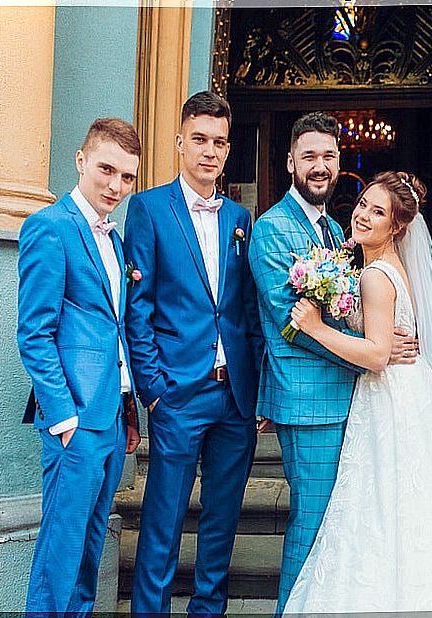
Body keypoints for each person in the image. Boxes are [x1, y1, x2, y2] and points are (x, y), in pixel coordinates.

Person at [283, 171, 432, 613]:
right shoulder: (390, 265)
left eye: (378, 212)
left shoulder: (376, 275)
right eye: (362, 205)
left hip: (388, 397)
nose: (363, 216)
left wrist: (315, 327)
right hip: (410, 394)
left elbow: (376, 355)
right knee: (406, 505)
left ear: (397, 226)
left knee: (379, 505)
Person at [248, 112, 416, 616]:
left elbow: (350, 305)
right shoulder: (274, 230)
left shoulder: (335, 230)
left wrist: (378, 342)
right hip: (310, 398)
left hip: (350, 394)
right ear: (290, 162)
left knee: (342, 524)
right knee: (314, 520)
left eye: (329, 156)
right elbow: (292, 321)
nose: (319, 166)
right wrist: (372, 354)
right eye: (309, 156)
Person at [124, 91, 263, 615]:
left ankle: (209, 610)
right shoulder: (148, 208)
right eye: (200, 139)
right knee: (162, 524)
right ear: (180, 142)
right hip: (178, 393)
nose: (210, 151)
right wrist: (154, 390)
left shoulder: (241, 218)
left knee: (221, 523)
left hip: (235, 398)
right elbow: (138, 306)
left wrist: (256, 390)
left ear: (228, 151)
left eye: (220, 142)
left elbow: (245, 310)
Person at [17, 117, 142, 613]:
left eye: (127, 177)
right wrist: (64, 418)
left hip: (111, 418)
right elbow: (34, 334)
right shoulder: (50, 227)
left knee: (91, 549)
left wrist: (128, 409)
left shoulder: (115, 239)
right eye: (107, 170)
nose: (116, 186)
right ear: (81, 161)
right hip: (75, 421)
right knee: (61, 551)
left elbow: (114, 330)